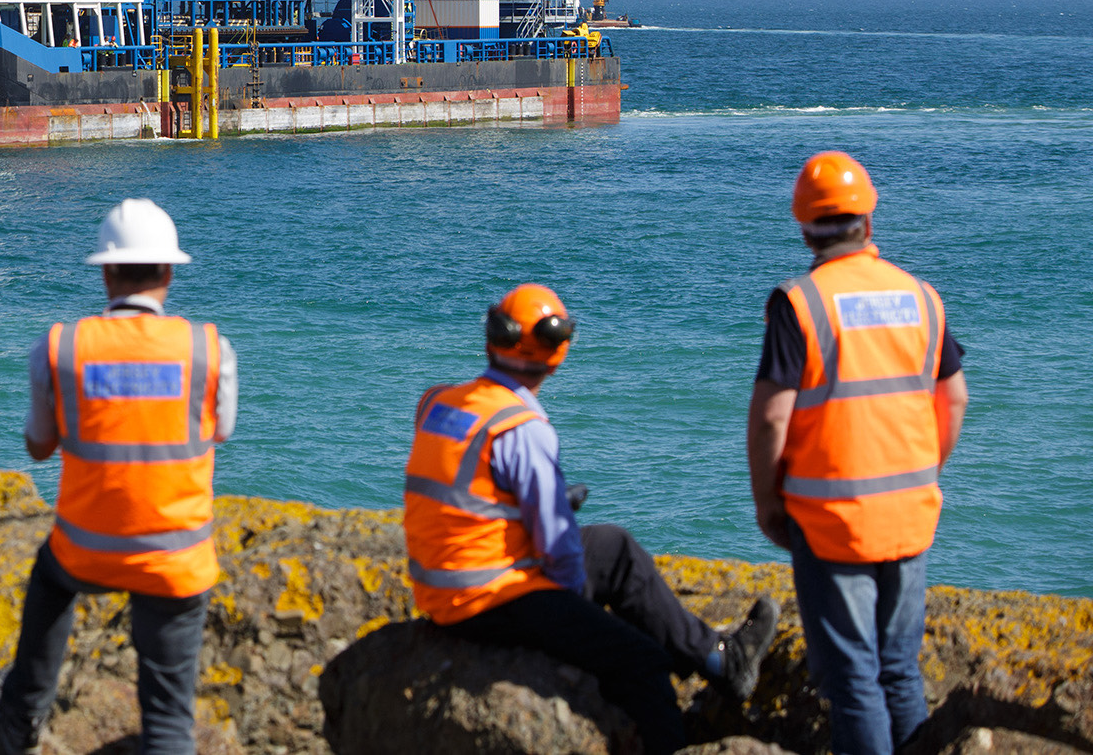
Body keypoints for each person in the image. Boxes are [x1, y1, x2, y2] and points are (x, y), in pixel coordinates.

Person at [406, 284, 780, 755]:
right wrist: (576, 611)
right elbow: (559, 553)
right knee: (641, 662)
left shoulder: (437, 402)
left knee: (614, 547)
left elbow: (467, 491)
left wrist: (544, 501)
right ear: (559, 352)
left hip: (441, 589)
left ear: (491, 340)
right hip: (491, 601)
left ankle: (720, 658)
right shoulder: (522, 428)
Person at [0, 199, 234, 755]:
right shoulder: (209, 348)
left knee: (50, 577)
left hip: (85, 551)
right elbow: (219, 432)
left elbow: (39, 447)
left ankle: (21, 717)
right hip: (177, 554)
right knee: (170, 726)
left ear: (105, 272)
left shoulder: (61, 347)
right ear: (170, 272)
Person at [747, 152, 968, 755]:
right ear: (869, 220)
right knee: (899, 669)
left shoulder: (801, 303)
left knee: (853, 680)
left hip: (831, 522)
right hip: (911, 511)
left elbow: (772, 415)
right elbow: (953, 398)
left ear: (803, 226)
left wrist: (769, 502)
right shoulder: (922, 297)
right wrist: (926, 471)